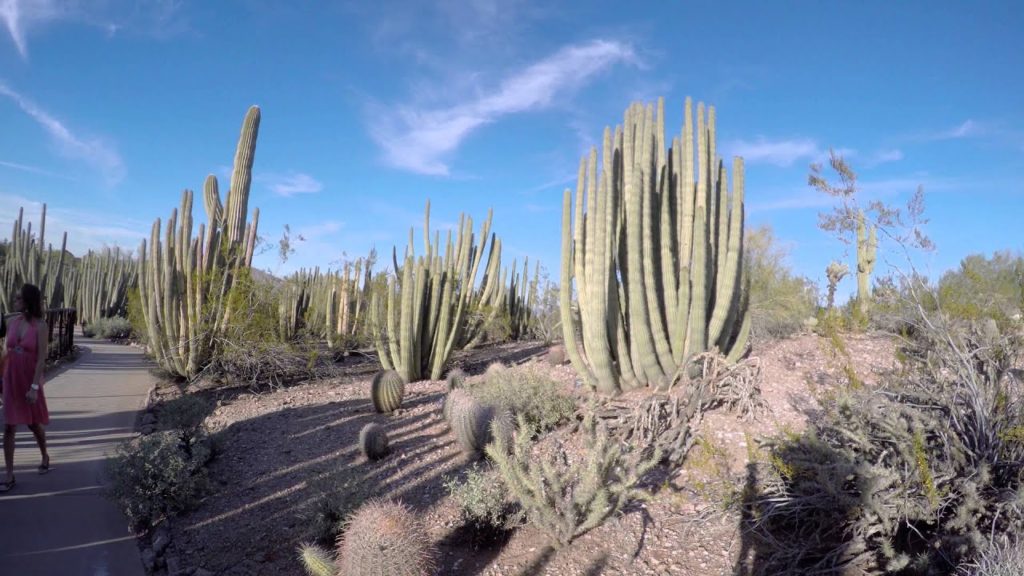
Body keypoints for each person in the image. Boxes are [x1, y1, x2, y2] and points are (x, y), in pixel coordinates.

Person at [1, 284, 51, 492]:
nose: (15, 301)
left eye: (19, 298)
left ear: (29, 301)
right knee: (9, 426)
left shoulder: (40, 326)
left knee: (33, 424)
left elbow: (41, 359)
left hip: (29, 379)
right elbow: (5, 351)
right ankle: (10, 475)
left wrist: (34, 387)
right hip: (10, 377)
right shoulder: (12, 322)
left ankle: (45, 455)